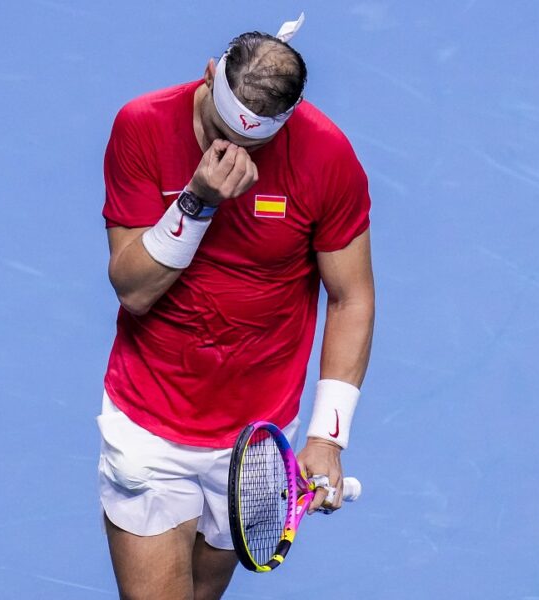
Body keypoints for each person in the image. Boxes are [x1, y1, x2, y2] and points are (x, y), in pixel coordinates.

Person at [98, 14, 374, 600]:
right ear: (207, 76)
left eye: (252, 142)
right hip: (151, 422)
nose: (231, 150)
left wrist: (328, 436)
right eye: (222, 129)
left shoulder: (328, 158)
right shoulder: (142, 126)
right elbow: (133, 289)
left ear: (287, 119)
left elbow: (351, 297)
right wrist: (197, 202)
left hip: (255, 442)